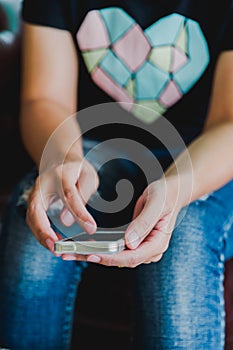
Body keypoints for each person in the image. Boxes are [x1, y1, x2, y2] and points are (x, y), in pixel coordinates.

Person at [0, 0, 233, 349]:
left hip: (202, 157)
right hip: (88, 147)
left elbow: (228, 123)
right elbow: (43, 99)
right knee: (37, 238)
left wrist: (174, 190)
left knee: (182, 250)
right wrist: (63, 162)